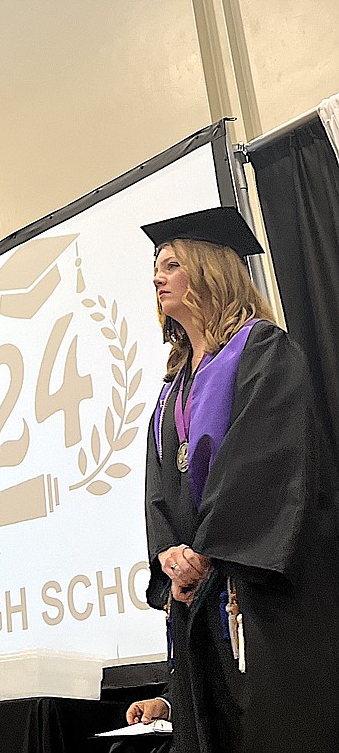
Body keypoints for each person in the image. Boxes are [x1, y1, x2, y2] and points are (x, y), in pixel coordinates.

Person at [142, 205, 339, 753]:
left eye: (172, 264)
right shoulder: (172, 387)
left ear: (210, 271)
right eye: (156, 267)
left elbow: (264, 463)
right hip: (197, 603)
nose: (157, 276)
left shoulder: (263, 353)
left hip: (253, 597)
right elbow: (160, 488)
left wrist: (208, 552)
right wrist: (169, 555)